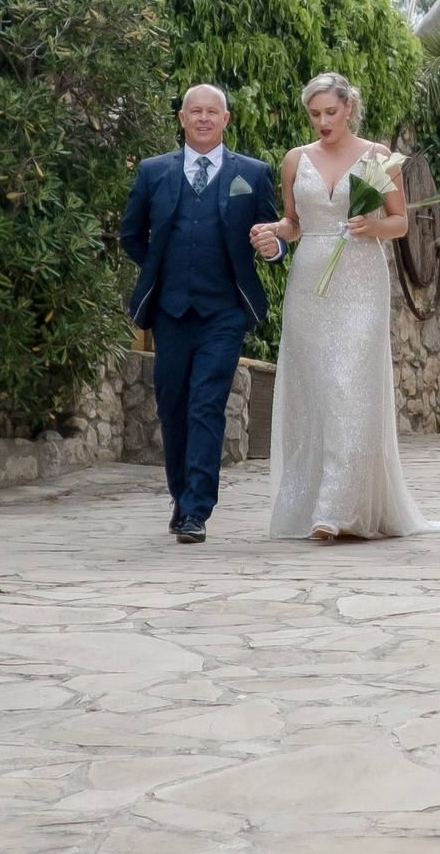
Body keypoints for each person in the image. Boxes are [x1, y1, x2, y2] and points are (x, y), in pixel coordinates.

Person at [254, 71, 440, 542]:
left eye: (330, 112)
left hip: (361, 281)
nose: (322, 122)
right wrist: (273, 231)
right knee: (318, 392)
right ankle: (321, 500)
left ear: (348, 108)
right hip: (310, 283)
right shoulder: (295, 159)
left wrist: (369, 227)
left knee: (350, 386)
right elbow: (294, 222)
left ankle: (333, 509)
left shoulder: (378, 156)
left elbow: (400, 223)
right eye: (314, 114)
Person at [120, 84, 277, 544]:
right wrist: (160, 268)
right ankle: (181, 495)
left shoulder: (253, 173)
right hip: (170, 311)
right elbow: (131, 235)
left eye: (213, 112)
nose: (204, 118)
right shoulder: (154, 172)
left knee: (207, 404)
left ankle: (196, 510)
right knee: (172, 406)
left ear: (225, 120)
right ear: (183, 118)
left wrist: (274, 247)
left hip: (224, 312)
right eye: (196, 111)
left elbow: (273, 233)